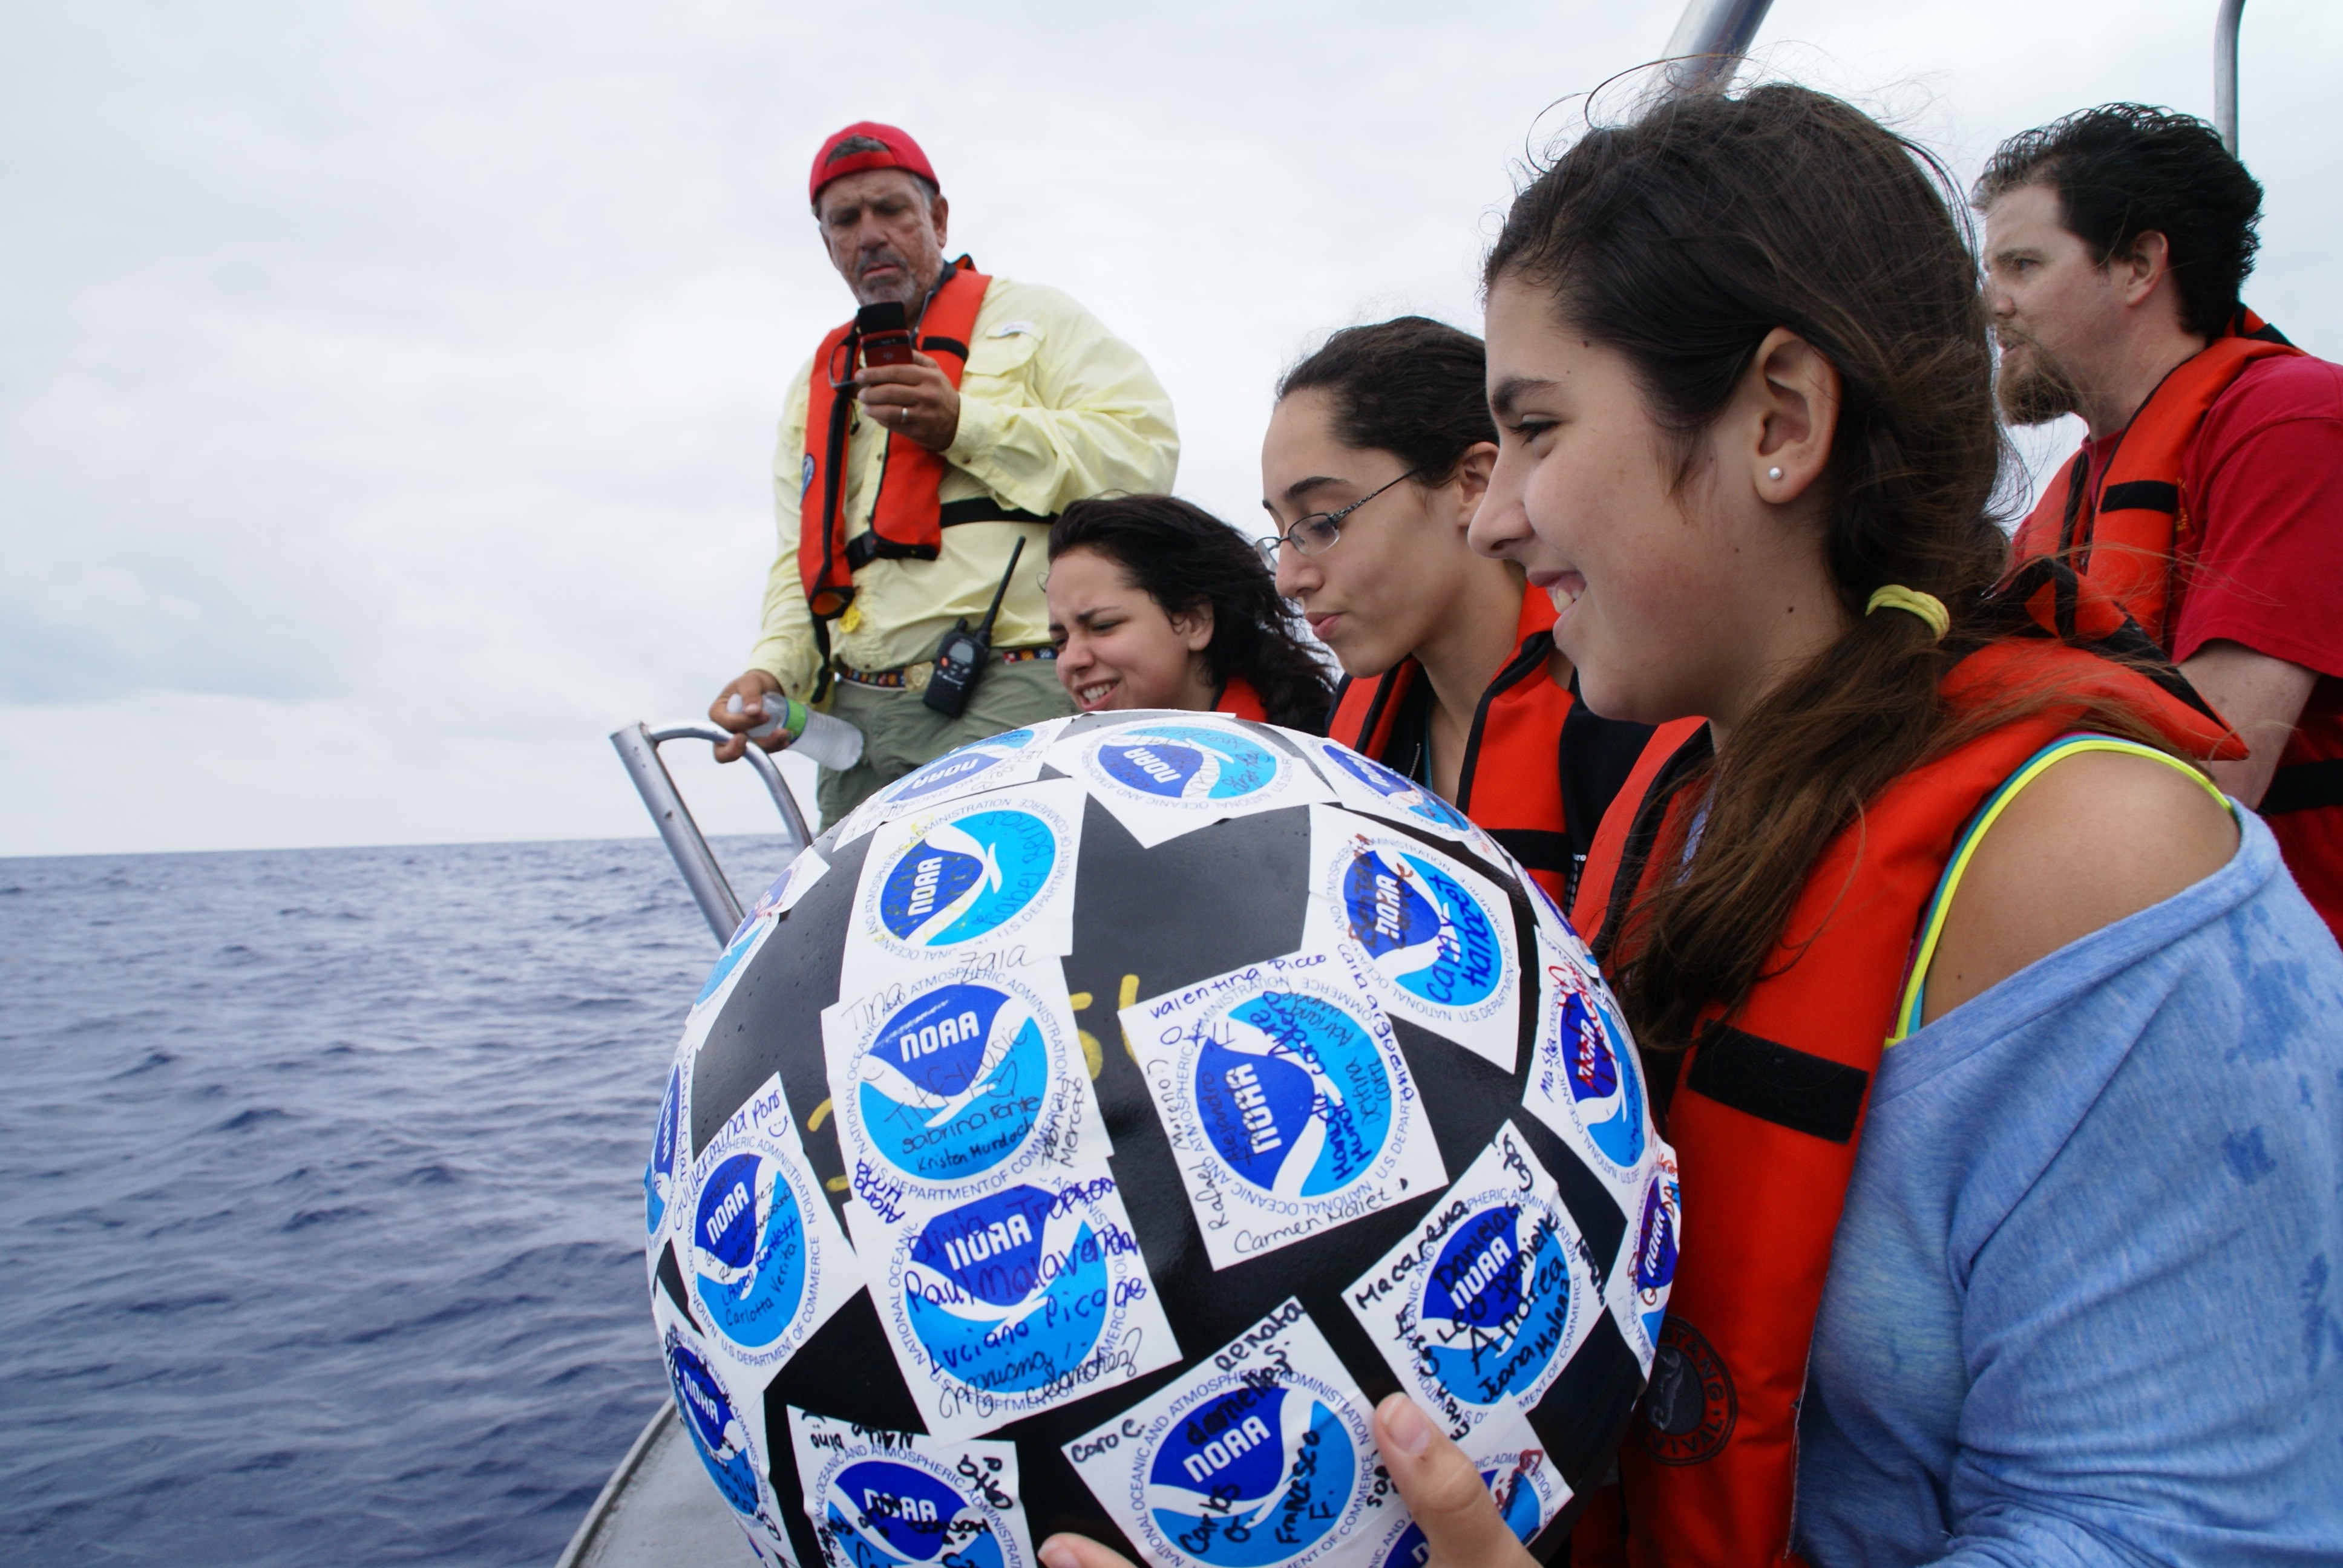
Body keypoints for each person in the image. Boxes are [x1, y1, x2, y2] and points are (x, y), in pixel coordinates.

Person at [1040, 86, 2343, 1568]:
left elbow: (2194, 1531)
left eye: (1533, 430)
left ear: (1778, 422)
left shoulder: (2112, 883)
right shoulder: (1696, 799)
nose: (1495, 516)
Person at [706, 122, 1179, 820]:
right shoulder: (814, 383)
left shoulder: (1038, 317)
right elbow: (797, 565)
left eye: (891, 209)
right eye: (845, 219)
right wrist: (774, 671)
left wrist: (965, 425)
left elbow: (1143, 456)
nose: (869, 234)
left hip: (1013, 686)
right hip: (858, 725)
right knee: (865, 921)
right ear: (827, 242)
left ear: (937, 217)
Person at [1978, 105, 2343, 942]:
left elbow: (2218, 769)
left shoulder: (2292, 423)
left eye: (2022, 266)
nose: (1992, 305)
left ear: (2139, 265)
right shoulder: (2071, 494)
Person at [1260, 316, 1654, 904]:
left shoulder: (1632, 714)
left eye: (1321, 523)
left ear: (1473, 483)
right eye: (1278, 535)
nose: (1288, 579)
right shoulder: (1351, 729)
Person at [1043, 495, 1335, 730]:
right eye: (1061, 641)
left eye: (1102, 626)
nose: (1071, 661)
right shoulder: (1063, 779)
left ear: (1196, 621)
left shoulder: (1320, 756)